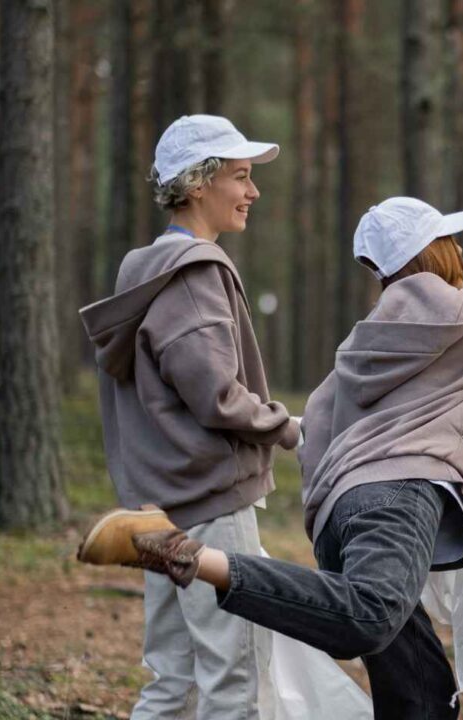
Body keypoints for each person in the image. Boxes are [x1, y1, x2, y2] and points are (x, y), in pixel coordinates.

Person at [79, 143, 463, 720]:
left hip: (336, 517)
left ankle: (204, 560)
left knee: (420, 692)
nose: (461, 248)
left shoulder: (361, 340)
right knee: (365, 617)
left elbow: (317, 425)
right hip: (403, 498)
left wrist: (329, 501)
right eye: (449, 238)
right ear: (431, 252)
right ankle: (199, 560)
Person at [77, 114, 299, 718]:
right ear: (198, 184)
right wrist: (288, 428)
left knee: (171, 680)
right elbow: (217, 395)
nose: (252, 191)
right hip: (212, 509)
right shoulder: (196, 272)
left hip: (156, 510)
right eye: (241, 176)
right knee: (234, 680)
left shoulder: (144, 272)